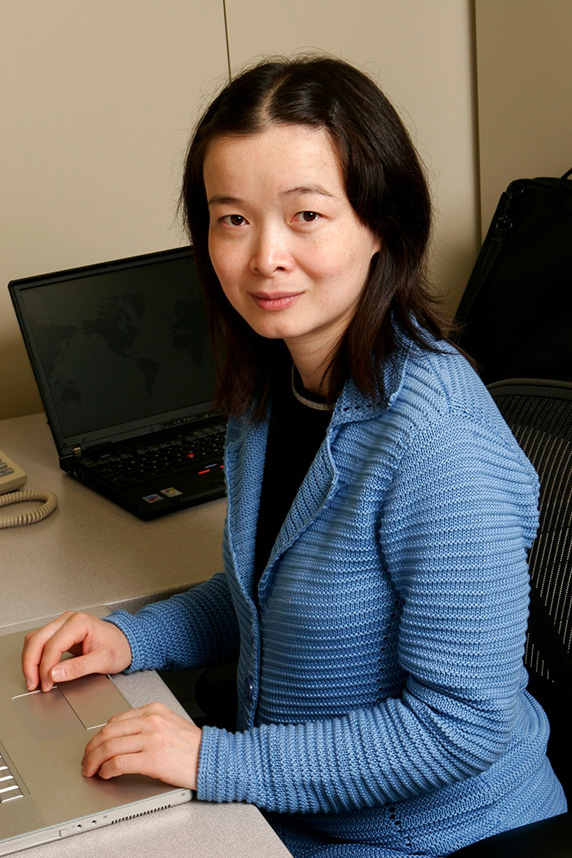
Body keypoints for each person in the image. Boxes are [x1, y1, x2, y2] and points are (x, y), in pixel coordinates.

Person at [22, 56, 566, 857]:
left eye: (306, 215)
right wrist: (132, 639)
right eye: (231, 218)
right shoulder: (274, 387)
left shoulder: (439, 441)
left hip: (430, 837)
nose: (263, 256)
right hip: (288, 809)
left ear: (381, 222)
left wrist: (215, 758)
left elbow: (460, 726)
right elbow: (267, 600)